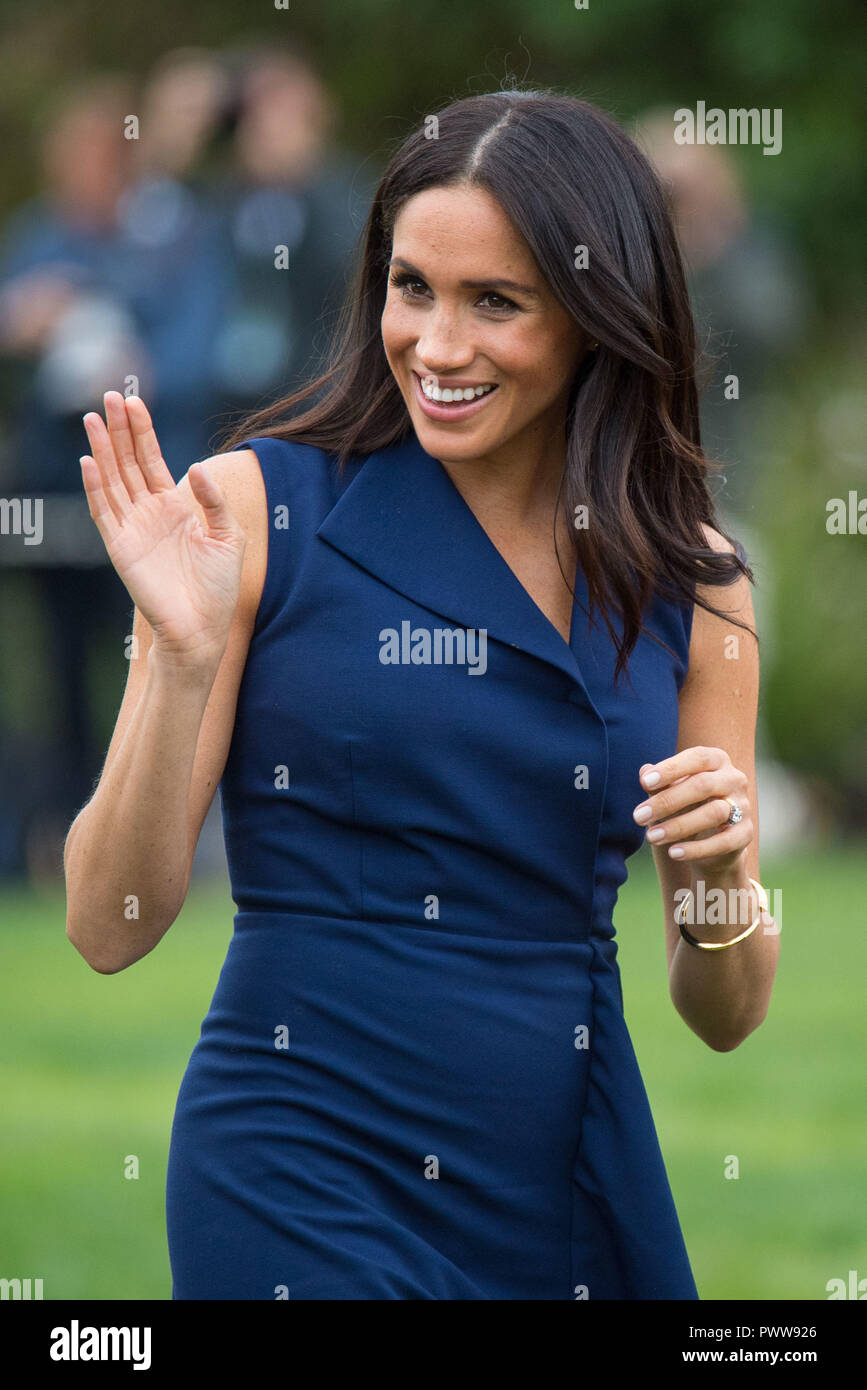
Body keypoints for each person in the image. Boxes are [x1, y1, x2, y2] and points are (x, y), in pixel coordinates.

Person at [64, 88, 780, 1301]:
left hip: (564, 1166)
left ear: (600, 316)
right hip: (297, 1164)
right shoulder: (255, 513)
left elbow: (726, 1012)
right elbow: (107, 924)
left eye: (496, 302)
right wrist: (177, 660)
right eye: (412, 289)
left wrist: (720, 879)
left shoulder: (692, 582)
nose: (437, 347)